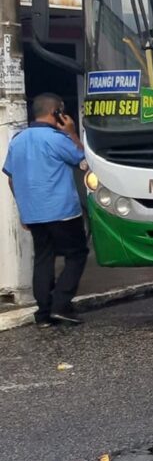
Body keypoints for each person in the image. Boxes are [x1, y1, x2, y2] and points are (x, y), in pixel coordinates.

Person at [3, 94, 88, 326]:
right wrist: (71, 132)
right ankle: (61, 304)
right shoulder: (57, 138)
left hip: (33, 212)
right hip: (61, 210)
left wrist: (23, 209)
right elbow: (82, 158)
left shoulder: (17, 140)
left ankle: (43, 314)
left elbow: (11, 179)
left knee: (43, 258)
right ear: (56, 113)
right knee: (77, 254)